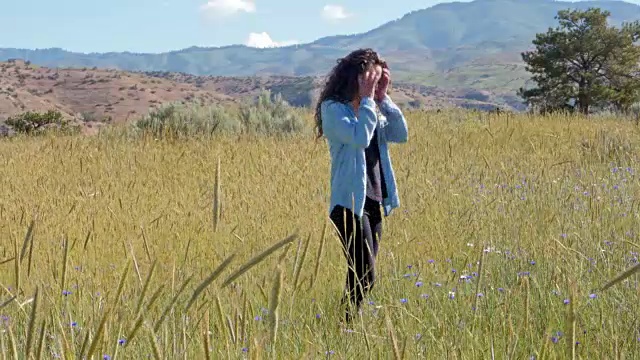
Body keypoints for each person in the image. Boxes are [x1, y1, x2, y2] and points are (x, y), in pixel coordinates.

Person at [314, 48, 409, 323]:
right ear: (356, 78)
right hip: (348, 204)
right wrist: (368, 100)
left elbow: (400, 134)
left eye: (379, 80)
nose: (374, 84)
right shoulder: (333, 109)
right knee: (365, 275)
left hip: (374, 200)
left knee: (360, 275)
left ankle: (343, 326)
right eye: (371, 79)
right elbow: (359, 138)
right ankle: (344, 326)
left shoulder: (373, 108)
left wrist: (383, 98)